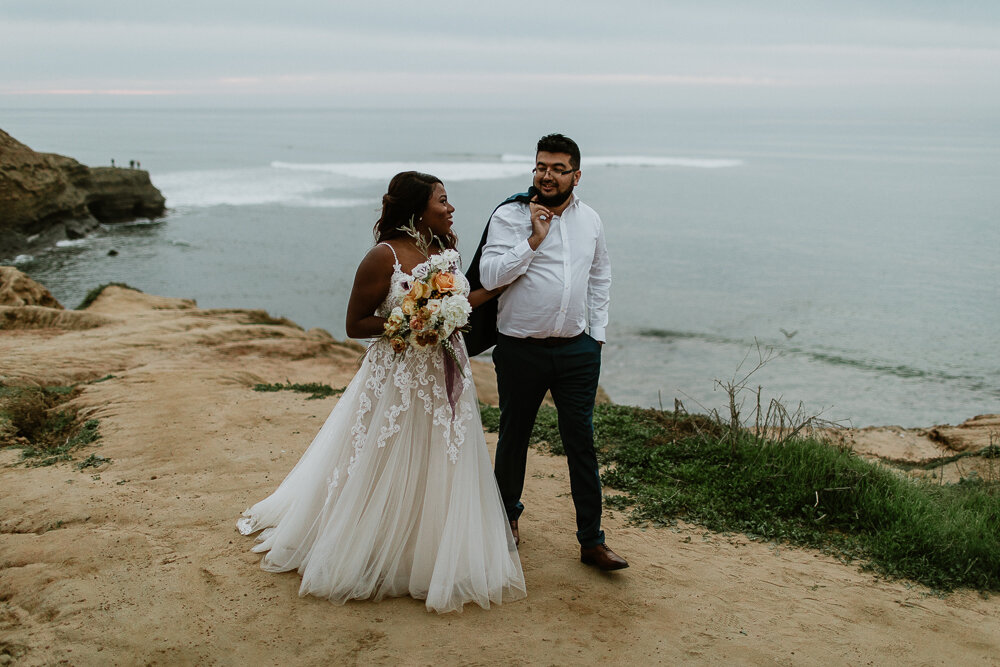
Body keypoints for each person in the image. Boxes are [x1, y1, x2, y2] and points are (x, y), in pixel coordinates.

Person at [237, 171, 526, 613]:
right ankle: (368, 544)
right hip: (397, 378)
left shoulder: (444, 249)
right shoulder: (383, 257)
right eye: (443, 201)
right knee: (384, 454)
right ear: (418, 208)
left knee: (441, 458)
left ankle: (428, 552)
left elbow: (460, 301)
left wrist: (493, 290)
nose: (451, 209)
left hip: (445, 373)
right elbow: (354, 325)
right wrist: (415, 323)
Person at [479, 134, 628, 570]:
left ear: (576, 175)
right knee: (514, 438)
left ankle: (592, 541)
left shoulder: (592, 220)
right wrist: (533, 239)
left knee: (581, 442)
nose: (546, 175)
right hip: (519, 349)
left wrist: (596, 336)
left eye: (557, 168)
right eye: (541, 166)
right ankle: (507, 518)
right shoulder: (510, 215)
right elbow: (489, 275)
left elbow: (600, 275)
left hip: (577, 351)